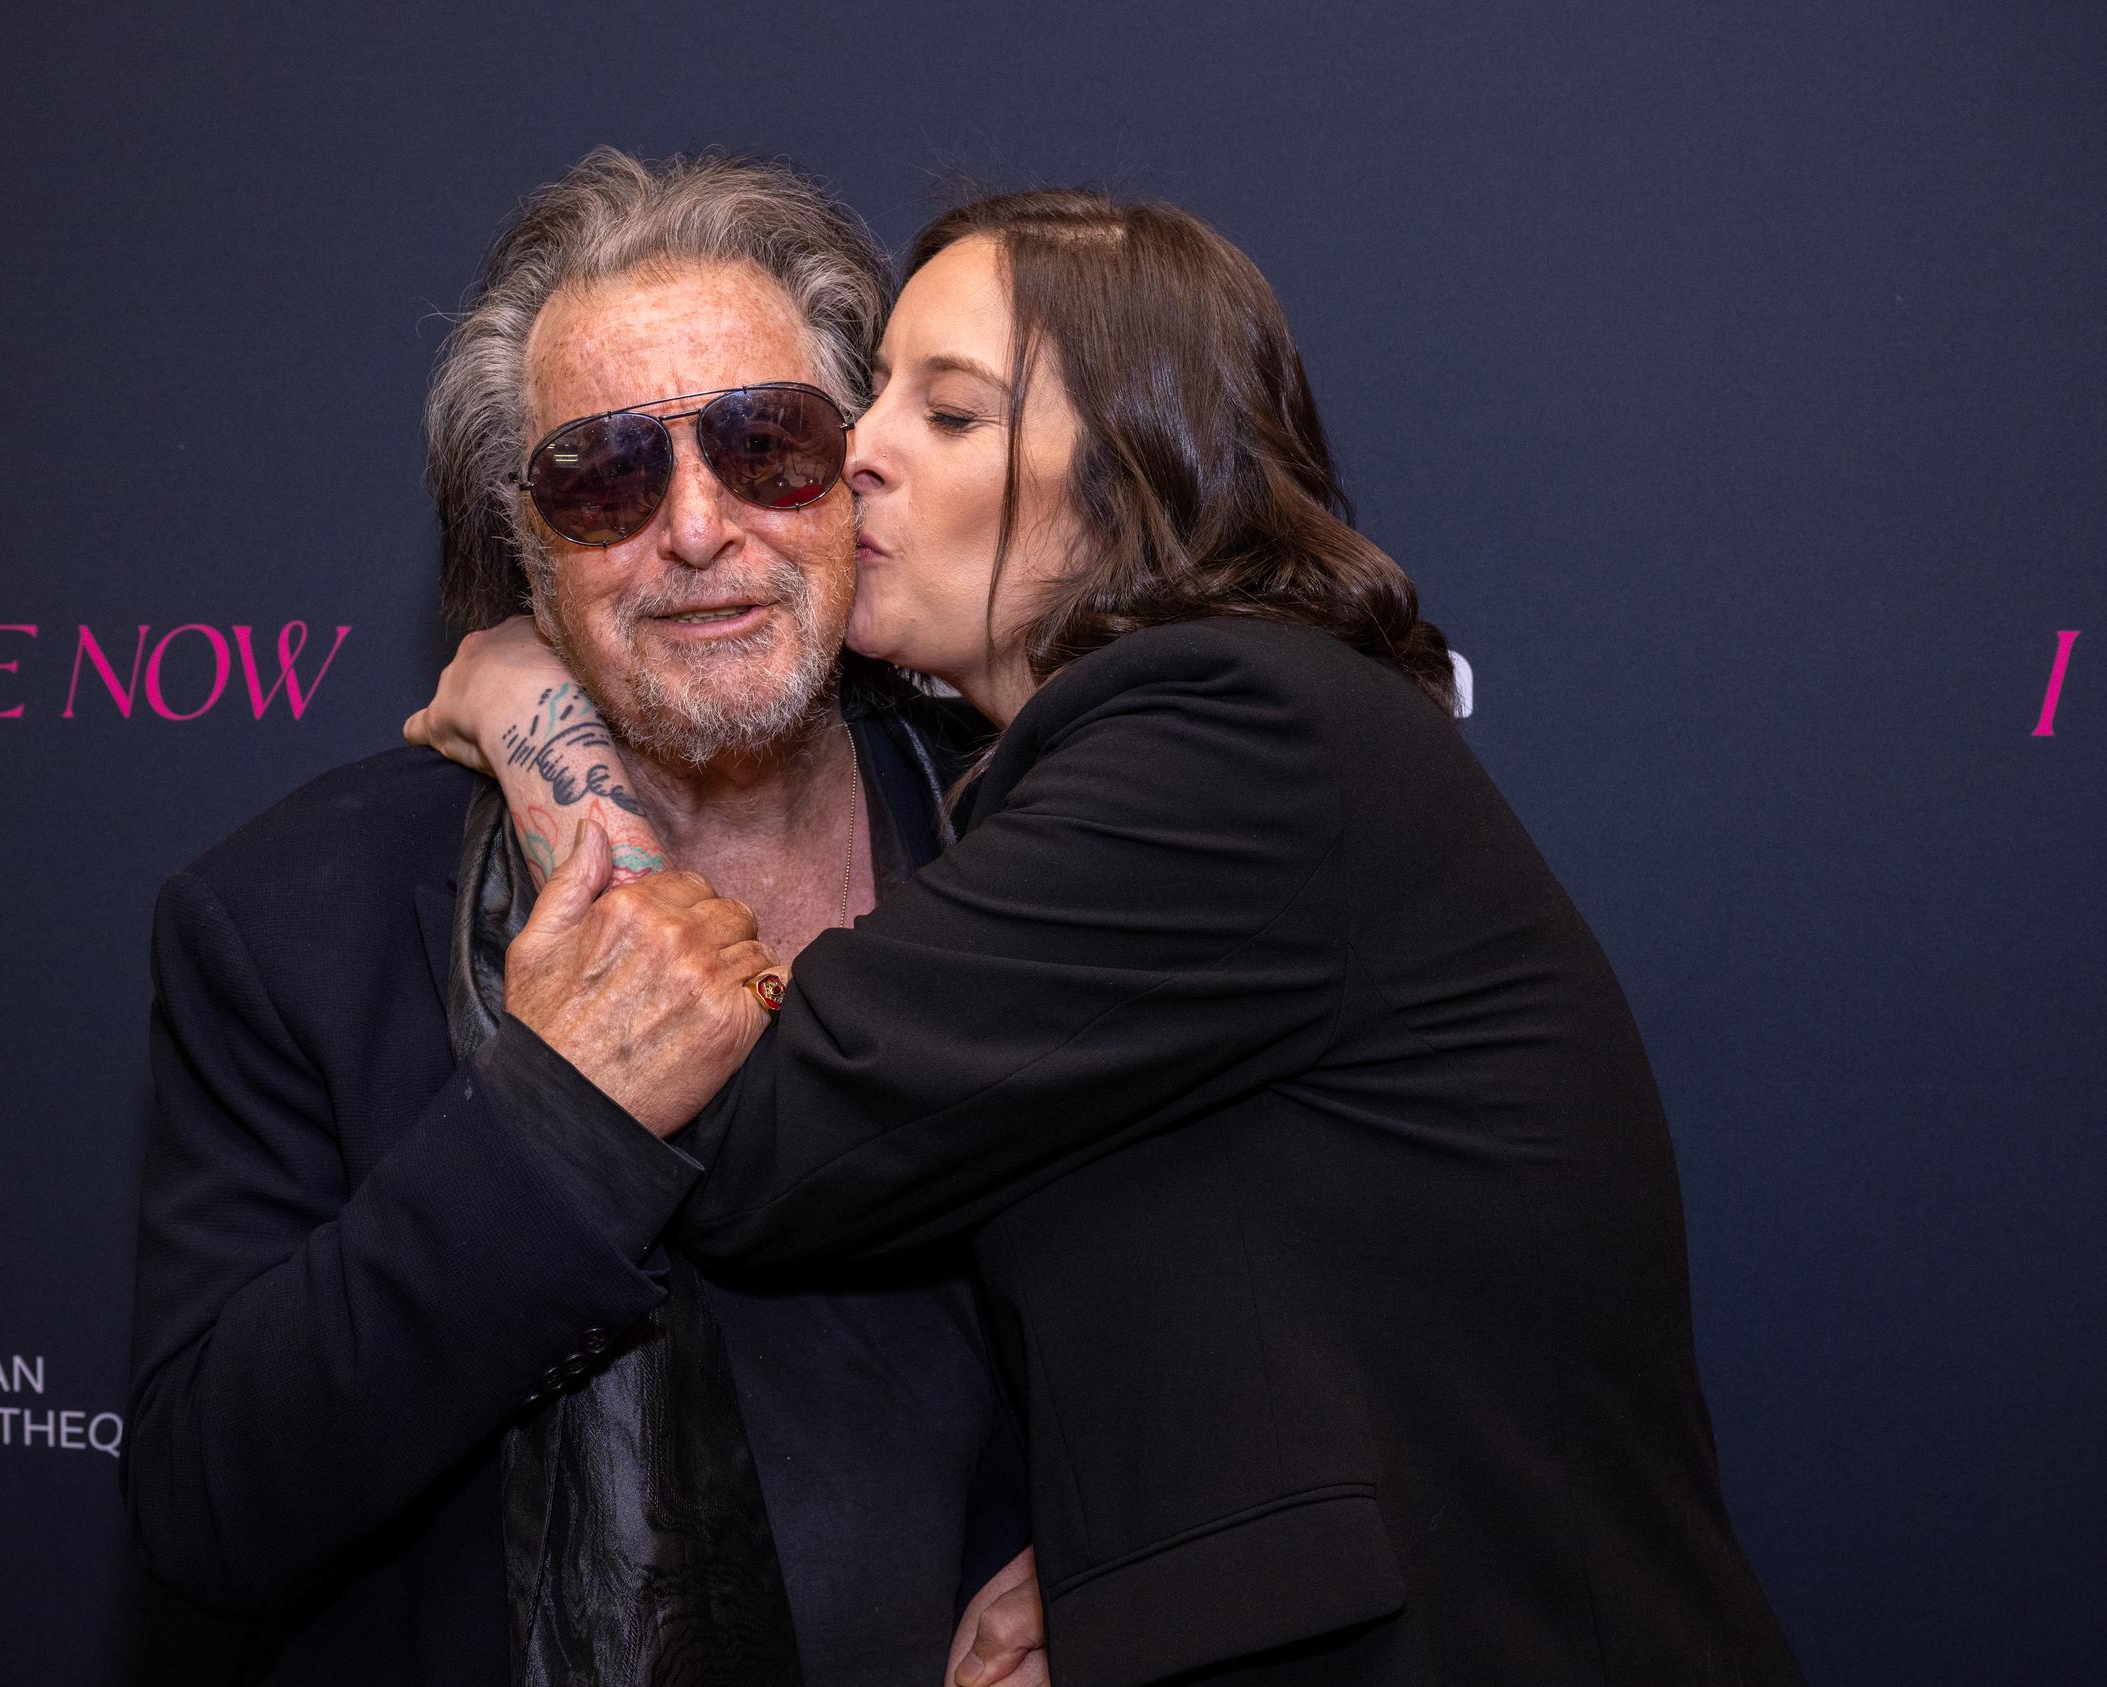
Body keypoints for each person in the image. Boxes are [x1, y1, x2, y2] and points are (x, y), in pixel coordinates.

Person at [411, 188, 1807, 1685]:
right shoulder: (1172, 762)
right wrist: (1114, 1564)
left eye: (949, 414)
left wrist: (541, 723)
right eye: (874, 391)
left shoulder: (1229, 734)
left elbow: (747, 1130)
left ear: (1132, 479)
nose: (858, 449)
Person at [124, 149, 1045, 1687]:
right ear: (526, 549)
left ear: (859, 478)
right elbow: (212, 1510)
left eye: (767, 444)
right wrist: (553, 1126)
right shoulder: (290, 922)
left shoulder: (1028, 847)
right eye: (607, 477)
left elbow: (1256, 1328)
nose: (697, 529)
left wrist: (1129, 1582)